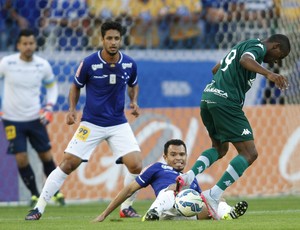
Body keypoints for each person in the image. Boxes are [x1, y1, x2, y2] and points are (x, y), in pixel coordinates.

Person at [25, 20, 142, 220]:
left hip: (118, 124)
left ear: (120, 40)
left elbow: (133, 83)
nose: (113, 42)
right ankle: (39, 208)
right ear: (102, 39)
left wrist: (133, 101)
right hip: (91, 123)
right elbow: (75, 86)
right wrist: (72, 109)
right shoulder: (89, 62)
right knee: (68, 163)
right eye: (109, 38)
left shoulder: (129, 63)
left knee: (136, 165)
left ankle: (126, 207)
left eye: (116, 38)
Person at [177, 34, 291, 219]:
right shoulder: (258, 48)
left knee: (220, 148)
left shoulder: (241, 45)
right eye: (279, 56)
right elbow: (246, 60)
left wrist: (228, 80)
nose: (276, 60)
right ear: (276, 46)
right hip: (226, 102)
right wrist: (269, 74)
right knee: (249, 153)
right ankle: (213, 194)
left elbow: (216, 69)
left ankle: (189, 176)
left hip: (208, 98)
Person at [93, 139, 248, 222]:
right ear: (165, 157)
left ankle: (228, 213)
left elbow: (201, 202)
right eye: (173, 154)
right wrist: (104, 214)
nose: (178, 158)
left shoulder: (191, 177)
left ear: (186, 156)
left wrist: (207, 207)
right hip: (166, 210)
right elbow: (129, 190)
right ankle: (153, 213)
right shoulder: (158, 167)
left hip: (187, 214)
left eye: (182, 154)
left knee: (216, 199)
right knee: (171, 189)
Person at [0, 29, 65, 206]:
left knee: (46, 156)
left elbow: (52, 87)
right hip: (12, 119)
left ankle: (56, 193)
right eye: (25, 44)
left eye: (31, 43)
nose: (28, 47)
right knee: (21, 157)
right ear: (18, 45)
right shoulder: (7, 63)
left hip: (35, 118)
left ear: (35, 44)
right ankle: (35, 194)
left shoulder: (42, 65)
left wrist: (49, 106)